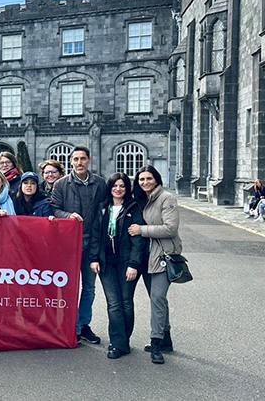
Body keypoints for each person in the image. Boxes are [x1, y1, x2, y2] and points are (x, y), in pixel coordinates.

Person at [50, 145, 106, 345]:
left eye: (83, 159)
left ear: (89, 160)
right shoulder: (61, 184)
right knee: (69, 287)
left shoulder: (100, 183)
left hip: (93, 243)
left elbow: (105, 211)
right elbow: (54, 209)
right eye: (76, 159)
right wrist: (68, 216)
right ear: (71, 161)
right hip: (70, 244)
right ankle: (69, 326)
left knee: (89, 287)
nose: (79, 163)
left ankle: (83, 325)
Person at [89, 173, 146, 359]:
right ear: (110, 187)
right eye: (115, 186)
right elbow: (96, 234)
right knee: (113, 303)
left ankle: (124, 340)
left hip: (126, 262)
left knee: (126, 303)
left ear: (127, 188)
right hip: (106, 262)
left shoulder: (133, 207)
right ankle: (117, 343)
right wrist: (94, 258)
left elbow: (138, 240)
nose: (118, 189)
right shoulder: (103, 208)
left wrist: (133, 264)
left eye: (122, 186)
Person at [129, 165, 182, 365]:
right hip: (145, 256)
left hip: (163, 256)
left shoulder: (166, 198)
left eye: (149, 179)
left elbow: (170, 228)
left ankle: (156, 342)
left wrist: (141, 230)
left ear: (156, 179)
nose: (145, 183)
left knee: (157, 297)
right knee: (157, 299)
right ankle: (166, 337)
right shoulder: (140, 199)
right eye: (141, 179)